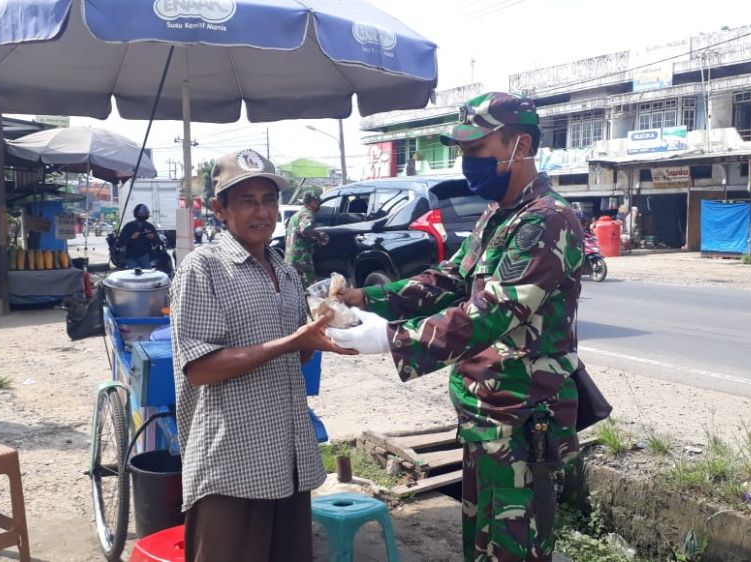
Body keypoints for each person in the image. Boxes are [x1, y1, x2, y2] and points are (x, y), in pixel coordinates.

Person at [329, 93, 585, 561]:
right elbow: (450, 281)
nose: (466, 164)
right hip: (487, 415)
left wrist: (392, 339)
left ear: (519, 144)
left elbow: (494, 310)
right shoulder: (498, 215)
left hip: (523, 419)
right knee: (482, 540)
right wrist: (366, 298)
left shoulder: (548, 220)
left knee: (516, 547)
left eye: (476, 151)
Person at [169, 149, 355, 562]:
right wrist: (291, 342)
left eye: (269, 200)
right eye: (247, 201)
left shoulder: (287, 273)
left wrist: (314, 340)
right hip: (232, 462)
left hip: (287, 460)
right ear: (220, 209)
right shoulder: (203, 269)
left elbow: (294, 360)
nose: (262, 212)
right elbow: (200, 368)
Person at [284, 192, 329, 289]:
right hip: (302, 259)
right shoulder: (307, 214)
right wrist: (320, 237)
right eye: (318, 202)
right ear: (312, 202)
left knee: (295, 288)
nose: (319, 205)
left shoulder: (296, 215)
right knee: (310, 288)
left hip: (290, 258)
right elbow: (305, 229)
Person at [116, 203, 158, 269]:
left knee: (147, 274)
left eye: (144, 213)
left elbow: (157, 242)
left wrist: (153, 237)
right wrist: (131, 238)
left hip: (144, 255)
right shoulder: (129, 226)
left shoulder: (149, 227)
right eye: (141, 213)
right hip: (131, 256)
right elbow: (120, 242)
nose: (142, 215)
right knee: (134, 275)